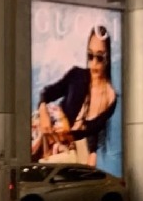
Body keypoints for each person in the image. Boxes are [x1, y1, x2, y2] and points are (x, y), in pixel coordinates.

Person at [31, 22, 118, 167]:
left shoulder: (111, 98)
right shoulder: (76, 76)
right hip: (42, 132)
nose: (93, 63)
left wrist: (92, 154)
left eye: (99, 57)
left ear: (107, 57)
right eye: (90, 56)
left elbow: (97, 131)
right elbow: (46, 93)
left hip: (62, 151)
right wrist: (43, 111)